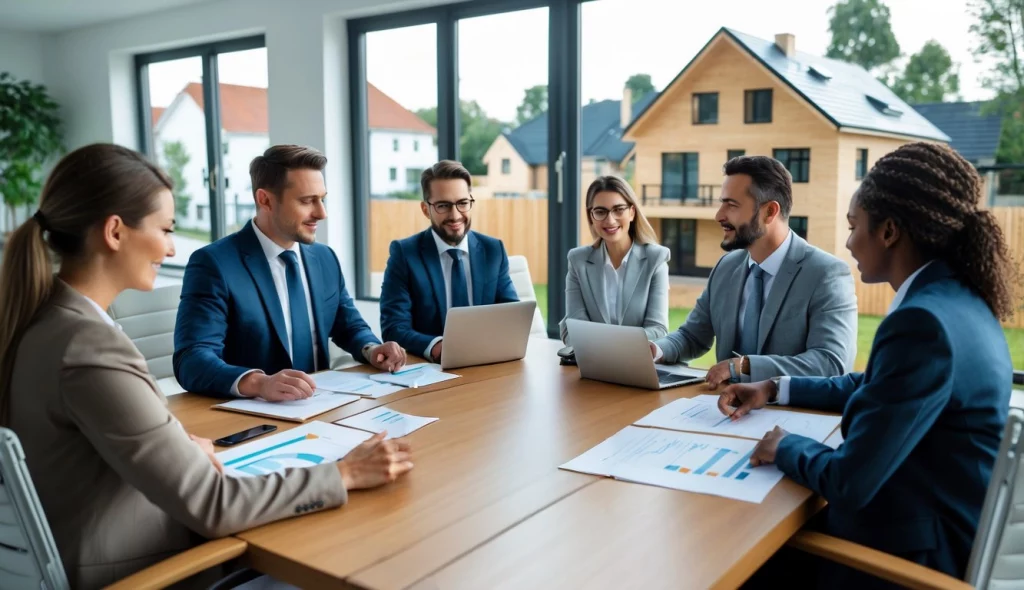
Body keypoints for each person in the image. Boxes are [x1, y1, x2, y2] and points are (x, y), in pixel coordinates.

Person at [0, 144, 413, 589]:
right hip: (143, 568)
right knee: (357, 559)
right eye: (165, 229)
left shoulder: (45, 318)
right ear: (115, 232)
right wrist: (345, 473)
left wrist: (177, 446)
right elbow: (213, 504)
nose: (172, 248)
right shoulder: (89, 346)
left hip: (105, 534)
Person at [722, 142, 1016, 589]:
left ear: (890, 231)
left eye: (854, 225)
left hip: (911, 559)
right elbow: (881, 384)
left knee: (743, 550)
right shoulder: (957, 300)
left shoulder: (922, 323)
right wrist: (775, 388)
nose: (847, 241)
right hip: (943, 524)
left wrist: (784, 446)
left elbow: (849, 482)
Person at [174, 145, 406, 400]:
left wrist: (373, 349)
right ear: (265, 200)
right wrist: (259, 383)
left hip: (326, 407)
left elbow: (349, 326)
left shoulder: (325, 258)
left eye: (322, 199)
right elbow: (192, 359)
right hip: (258, 416)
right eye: (307, 201)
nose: (321, 213)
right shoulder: (214, 264)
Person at [651, 155, 857, 388]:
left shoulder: (826, 274)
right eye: (722, 203)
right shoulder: (725, 267)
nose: (719, 215)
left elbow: (830, 363)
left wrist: (743, 366)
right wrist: (657, 349)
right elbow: (692, 336)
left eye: (731, 205)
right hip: (723, 409)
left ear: (769, 212)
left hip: (789, 414)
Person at [379, 160, 518, 363]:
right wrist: (437, 346)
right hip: (432, 372)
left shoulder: (493, 250)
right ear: (426, 209)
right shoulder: (405, 254)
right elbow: (394, 328)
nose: (455, 216)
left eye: (462, 203)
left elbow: (511, 315)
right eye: (443, 205)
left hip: (489, 365)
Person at [558, 175, 670, 344]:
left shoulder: (655, 259)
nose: (610, 220)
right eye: (600, 212)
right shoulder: (578, 260)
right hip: (592, 364)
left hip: (636, 364)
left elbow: (658, 330)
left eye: (618, 209)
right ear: (591, 217)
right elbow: (573, 327)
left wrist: (608, 345)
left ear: (632, 213)